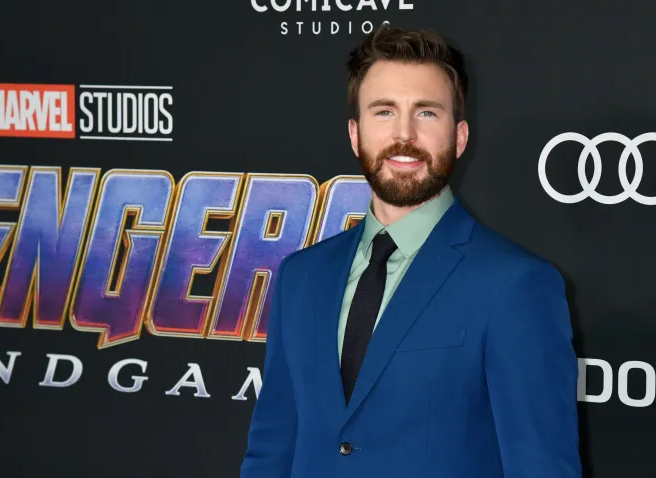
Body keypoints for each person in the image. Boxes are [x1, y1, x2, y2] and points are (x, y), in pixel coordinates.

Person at [240, 24, 581, 478]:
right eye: (384, 111)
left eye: (427, 113)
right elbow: (272, 448)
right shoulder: (301, 276)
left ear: (459, 137)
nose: (404, 134)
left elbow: (540, 467)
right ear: (355, 134)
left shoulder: (516, 285)